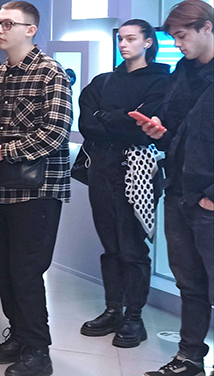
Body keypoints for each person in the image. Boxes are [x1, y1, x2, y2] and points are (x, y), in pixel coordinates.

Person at [0, 1, 72, 376]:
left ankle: (37, 351)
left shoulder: (51, 73)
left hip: (38, 191)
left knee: (27, 271)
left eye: (7, 24)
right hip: (0, 187)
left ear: (30, 30)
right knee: (3, 269)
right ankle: (18, 336)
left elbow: (55, 133)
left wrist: (4, 151)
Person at [78, 19, 169, 347]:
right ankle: (113, 309)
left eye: (131, 39)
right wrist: (123, 117)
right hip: (101, 169)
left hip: (137, 171)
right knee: (111, 245)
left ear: (148, 42)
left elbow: (142, 130)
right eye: (121, 39)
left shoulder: (162, 81)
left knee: (132, 246)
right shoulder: (103, 81)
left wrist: (107, 117)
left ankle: (134, 317)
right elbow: (86, 124)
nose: (124, 44)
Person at [139, 0, 214, 376]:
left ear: (207, 28)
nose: (177, 44)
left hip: (208, 199)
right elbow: (176, 133)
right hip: (179, 191)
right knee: (189, 282)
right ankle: (189, 358)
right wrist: (158, 131)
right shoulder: (182, 72)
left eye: (182, 36)